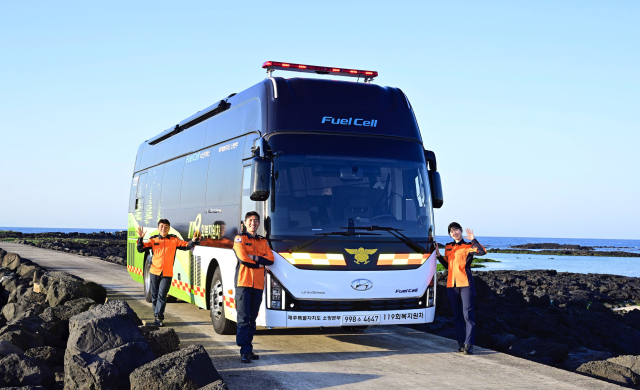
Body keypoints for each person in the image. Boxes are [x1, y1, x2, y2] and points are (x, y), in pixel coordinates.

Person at [136, 219, 200, 327]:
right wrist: (140, 238)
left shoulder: (174, 240)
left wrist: (193, 241)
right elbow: (140, 249)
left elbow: (185, 246)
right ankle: (157, 314)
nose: (163, 228)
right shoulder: (153, 240)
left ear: (169, 228)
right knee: (154, 296)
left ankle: (159, 317)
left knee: (162, 295)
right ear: (158, 228)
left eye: (166, 227)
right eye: (161, 226)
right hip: (154, 272)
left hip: (167, 274)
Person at [436, 222, 486, 355]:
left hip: (465, 285)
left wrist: (473, 239)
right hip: (451, 286)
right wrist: (439, 256)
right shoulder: (448, 247)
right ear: (450, 234)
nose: (454, 232)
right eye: (452, 231)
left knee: (467, 315)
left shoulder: (468, 246)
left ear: (461, 231)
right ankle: (460, 342)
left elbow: (482, 252)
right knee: (456, 316)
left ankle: (469, 344)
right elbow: (448, 266)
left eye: (456, 229)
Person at [233, 211, 274, 363]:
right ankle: (244, 351)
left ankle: (248, 349)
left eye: (256, 220)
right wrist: (259, 263)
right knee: (243, 319)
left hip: (258, 285)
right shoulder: (239, 239)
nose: (253, 223)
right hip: (243, 284)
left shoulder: (263, 241)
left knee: (252, 319)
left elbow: (271, 260)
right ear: (245, 223)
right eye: (250, 220)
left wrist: (255, 257)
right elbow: (243, 258)